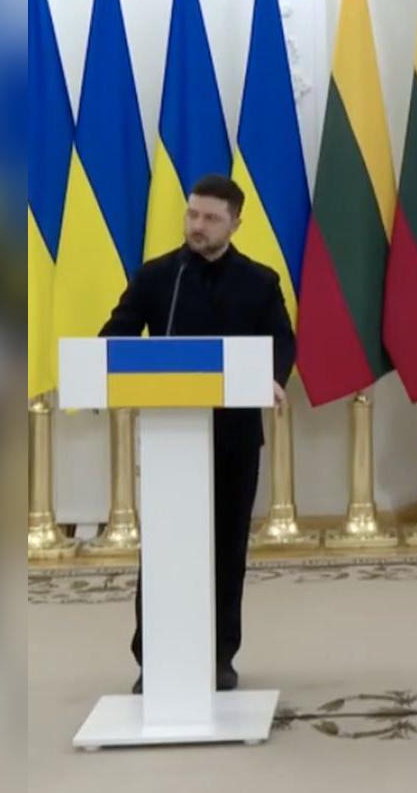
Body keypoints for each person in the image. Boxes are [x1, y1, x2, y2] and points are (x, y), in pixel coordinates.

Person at [99, 174, 295, 692]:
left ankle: (219, 656)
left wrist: (274, 377)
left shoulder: (260, 281)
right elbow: (115, 336)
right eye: (192, 214)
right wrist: (107, 368)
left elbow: (281, 342)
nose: (197, 226)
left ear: (235, 223)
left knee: (227, 549)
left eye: (210, 218)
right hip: (171, 437)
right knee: (164, 551)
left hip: (233, 437)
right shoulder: (157, 277)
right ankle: (154, 659)